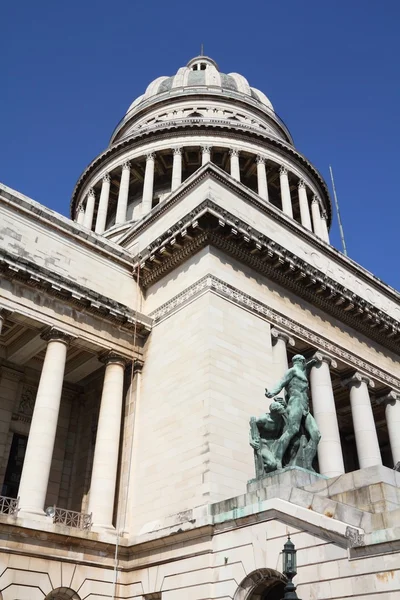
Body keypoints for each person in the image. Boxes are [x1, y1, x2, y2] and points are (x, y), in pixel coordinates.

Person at [265, 354, 321, 471]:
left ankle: (307, 463)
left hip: (305, 407)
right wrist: (272, 392)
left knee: (316, 434)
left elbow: (305, 371)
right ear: (301, 361)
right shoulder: (292, 371)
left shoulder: (302, 373)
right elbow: (281, 382)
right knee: (292, 430)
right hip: (295, 403)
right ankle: (277, 457)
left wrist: (309, 365)